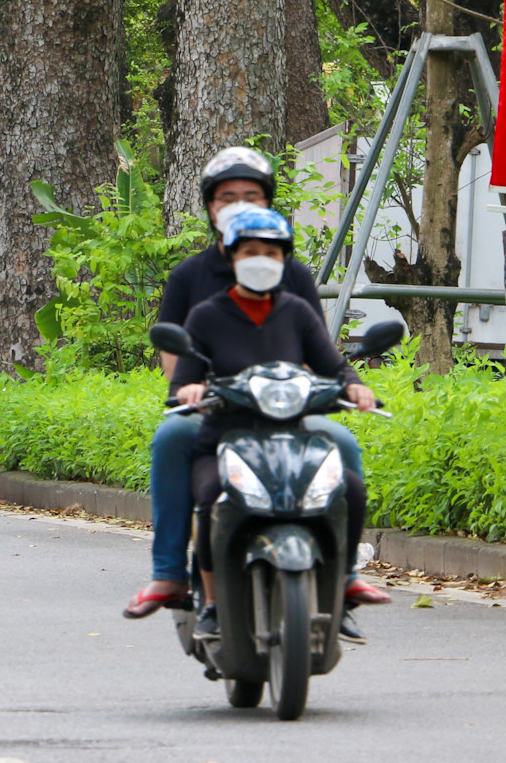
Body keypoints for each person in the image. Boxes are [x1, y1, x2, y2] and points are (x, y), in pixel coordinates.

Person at [124, 146, 390, 626]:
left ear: (270, 206)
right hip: (219, 409)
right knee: (172, 437)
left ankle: (341, 574)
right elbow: (175, 353)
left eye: (252, 196)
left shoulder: (295, 277)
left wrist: (347, 387)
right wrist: (192, 392)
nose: (240, 205)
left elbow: (319, 351)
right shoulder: (192, 277)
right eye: (228, 197)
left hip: (289, 404)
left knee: (344, 444)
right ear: (210, 207)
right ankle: (169, 574)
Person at [170, 206, 376, 642]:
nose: (261, 258)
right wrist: (188, 391)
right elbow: (186, 375)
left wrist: (355, 388)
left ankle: (341, 585)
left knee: (350, 488)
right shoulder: (206, 315)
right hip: (223, 439)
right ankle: (209, 603)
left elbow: (333, 365)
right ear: (231, 257)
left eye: (271, 251)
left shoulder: (297, 312)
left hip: (292, 438)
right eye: (250, 250)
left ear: (284, 259)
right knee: (210, 496)